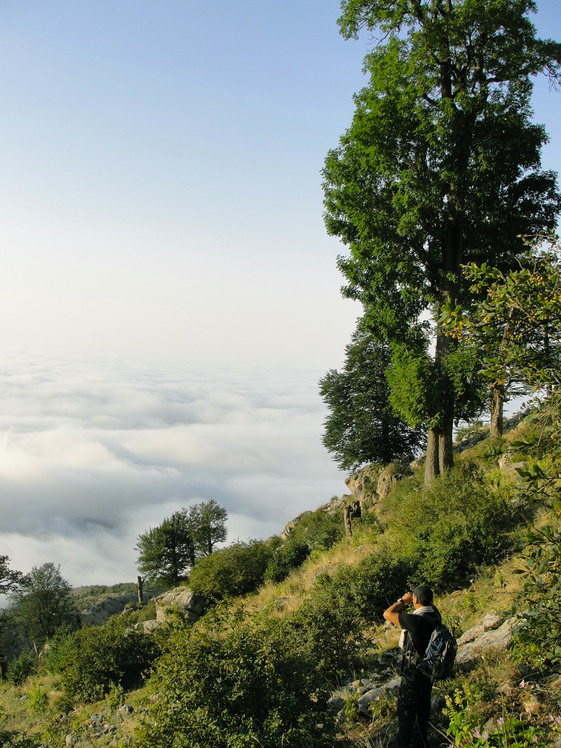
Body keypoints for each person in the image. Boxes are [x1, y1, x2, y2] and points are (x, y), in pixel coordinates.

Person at [383, 584, 440, 748]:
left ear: (415, 600)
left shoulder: (415, 621)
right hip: (427, 673)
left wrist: (402, 601)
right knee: (421, 715)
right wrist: (419, 597)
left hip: (412, 675)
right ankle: (420, 744)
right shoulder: (435, 616)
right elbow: (429, 605)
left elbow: (387, 614)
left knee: (406, 716)